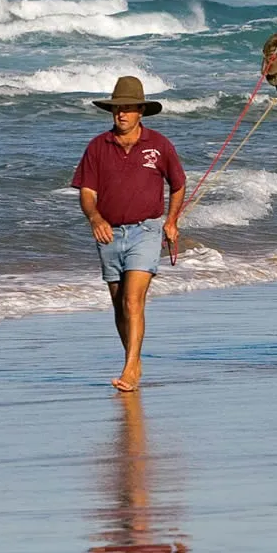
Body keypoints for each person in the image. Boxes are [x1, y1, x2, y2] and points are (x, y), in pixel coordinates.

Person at [72, 76, 185, 392]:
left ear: (140, 112)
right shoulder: (98, 146)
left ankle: (130, 370)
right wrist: (94, 218)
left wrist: (172, 221)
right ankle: (133, 359)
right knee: (120, 304)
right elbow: (87, 192)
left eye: (128, 108)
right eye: (117, 109)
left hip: (146, 230)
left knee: (133, 301)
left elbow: (178, 185)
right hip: (108, 233)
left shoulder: (159, 145)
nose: (121, 114)